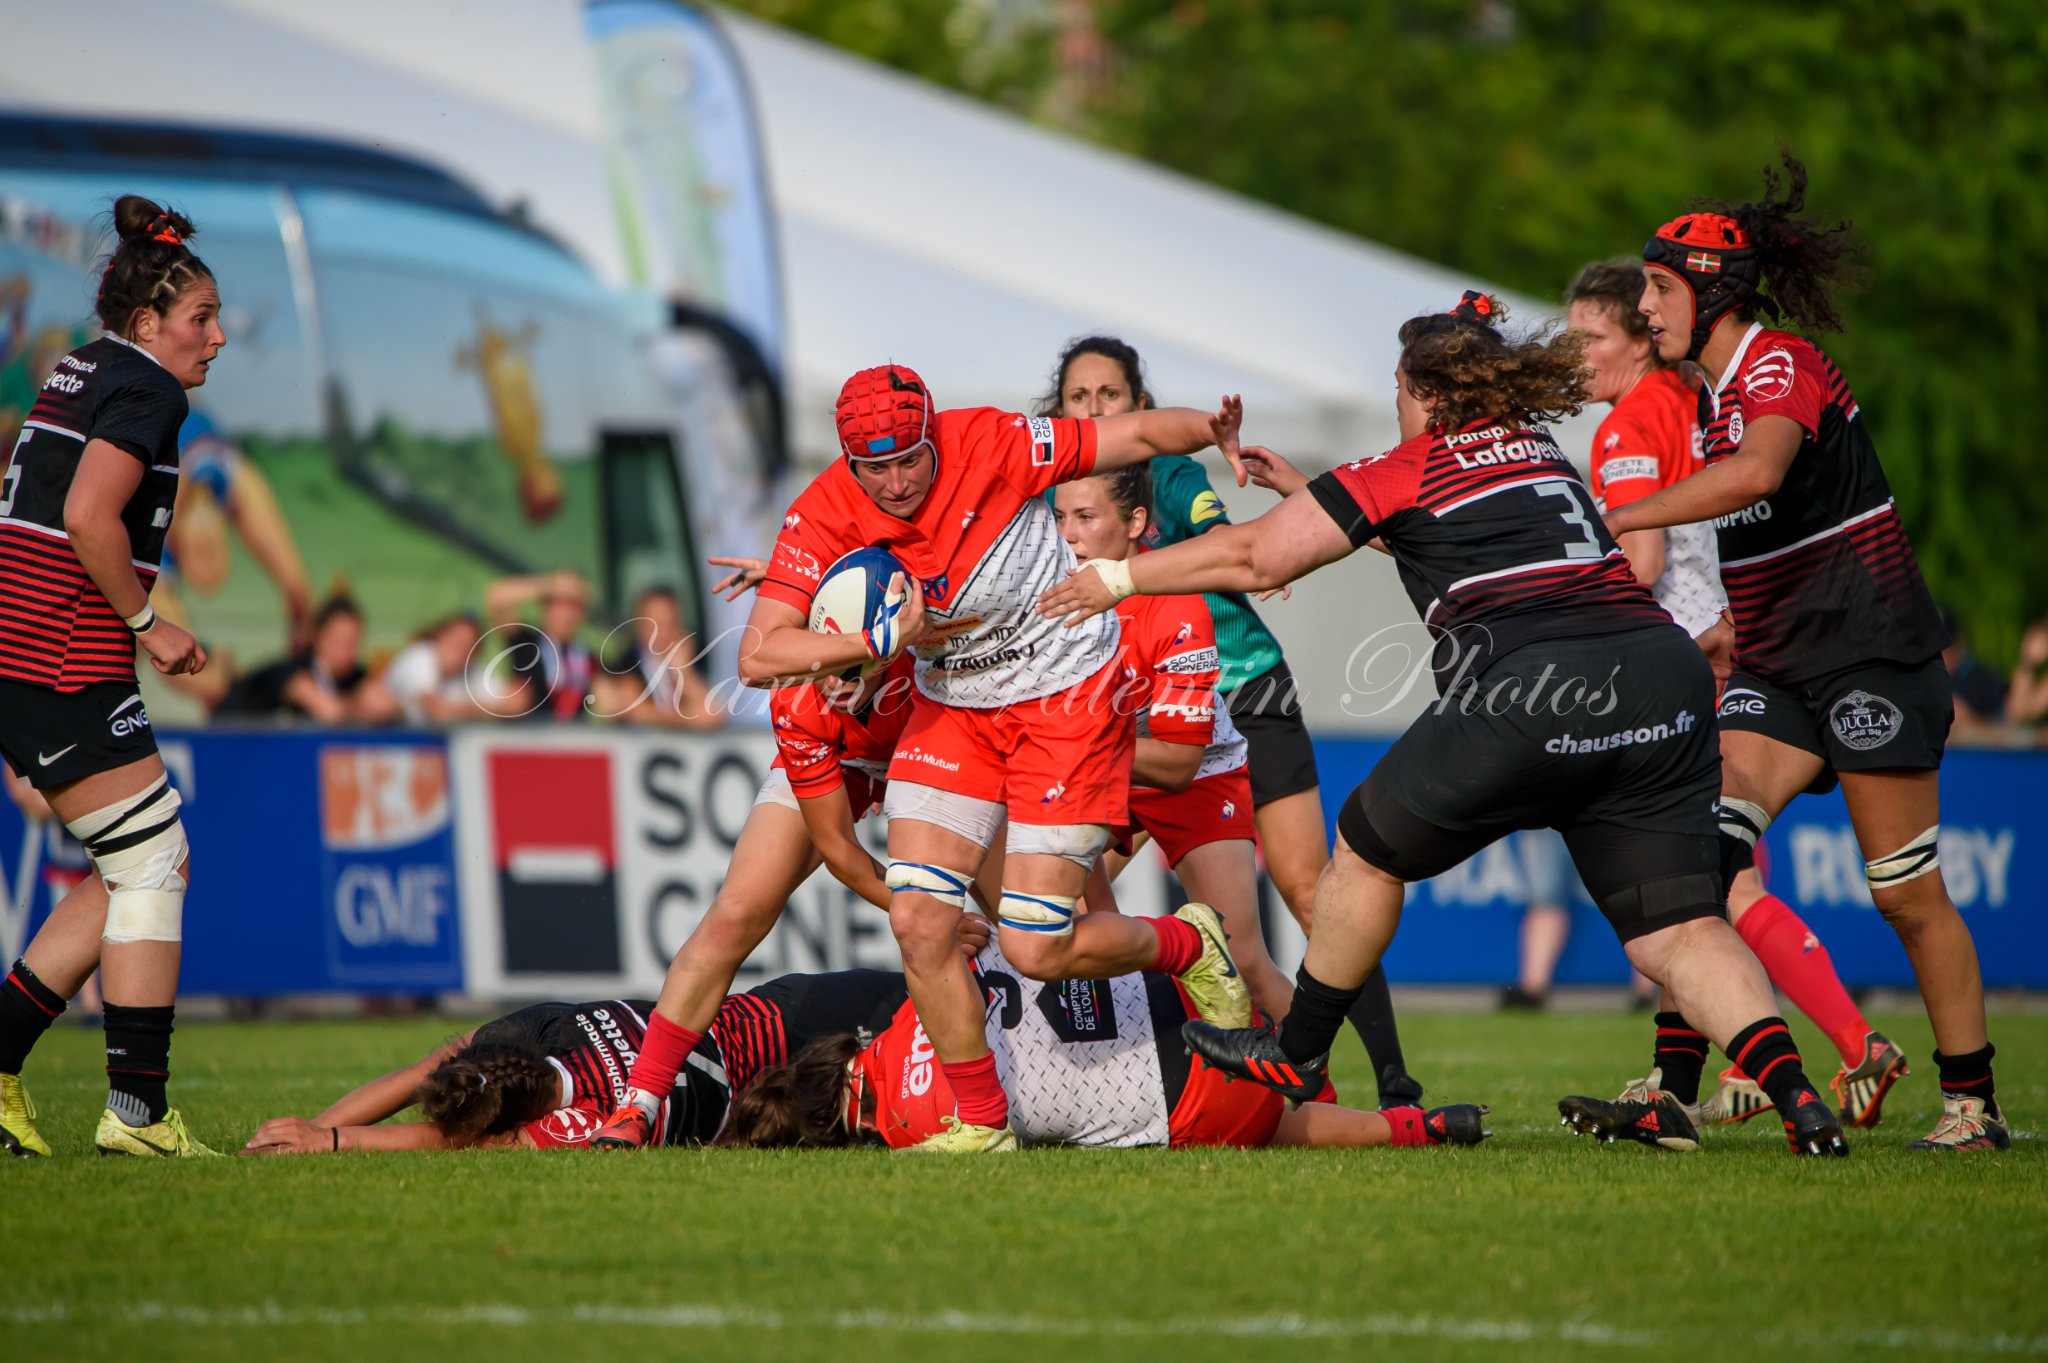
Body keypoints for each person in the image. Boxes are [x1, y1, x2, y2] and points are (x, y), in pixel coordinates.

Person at [1043, 292, 1851, 1157]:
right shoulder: (1540, 452)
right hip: (1662, 673)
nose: (1396, 404)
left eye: (1399, 388)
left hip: (1539, 685)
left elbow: (1253, 554)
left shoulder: (1407, 465)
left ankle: (1298, 1051)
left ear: (1427, 392)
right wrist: (1310, 495)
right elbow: (1447, 536)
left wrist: (1121, 578)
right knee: (1681, 928)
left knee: (1364, 847)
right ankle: (1802, 1101)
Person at [735, 364, 1254, 1153]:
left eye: (911, 459)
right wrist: (874, 640)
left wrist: (1209, 433)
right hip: (955, 713)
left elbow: (1133, 433)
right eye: (876, 467)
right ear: (849, 461)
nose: (897, 482)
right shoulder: (825, 507)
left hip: (1062, 702)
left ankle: (1188, 942)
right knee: (917, 919)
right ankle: (982, 1121)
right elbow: (757, 655)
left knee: (1035, 947)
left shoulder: (990, 440)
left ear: (934, 436)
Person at [1614, 154, 2005, 1150]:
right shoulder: (1708, 394)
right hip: (1778, 671)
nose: (1643, 305)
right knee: (1696, 861)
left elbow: (1758, 474)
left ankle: (1972, 1104)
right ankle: (1670, 1093)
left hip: (1870, 658)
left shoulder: (1777, 363)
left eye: (1658, 287)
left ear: (1712, 295)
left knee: (1904, 894)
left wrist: (1620, 513)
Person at [1565, 258, 1905, 1126]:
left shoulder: (1629, 424)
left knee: (1708, 885)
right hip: (1731, 650)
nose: (1575, 356)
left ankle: (1850, 1041)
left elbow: (1640, 561)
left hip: (1680, 669)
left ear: (1639, 340)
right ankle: (1702, 1072)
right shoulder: (1695, 400)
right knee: (1705, 878)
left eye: (1590, 337)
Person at [1044, 337, 1423, 1106]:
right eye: (1078, 397)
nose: (1094, 409)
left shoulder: (1170, 475)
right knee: (1062, 907)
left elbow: (1221, 534)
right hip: (1137, 724)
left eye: (1109, 395)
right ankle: (1109, 1078)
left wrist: (1264, 554)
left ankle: (1390, 1079)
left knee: (1310, 896)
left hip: (1241, 696)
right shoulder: (1050, 495)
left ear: (1140, 406)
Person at [0, 195, 223, 1157]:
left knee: (126, 864)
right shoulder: (148, 389)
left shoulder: (80, 366)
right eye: (200, 318)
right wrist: (149, 624)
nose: (217, 338)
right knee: (154, 861)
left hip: (25, 648)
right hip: (58, 655)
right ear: (147, 323)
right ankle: (137, 1114)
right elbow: (90, 516)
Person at [587, 655, 924, 1150]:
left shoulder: (921, 659)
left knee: (1008, 911)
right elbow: (840, 853)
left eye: (851, 667)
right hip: (838, 755)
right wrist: (921, 912)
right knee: (735, 915)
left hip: (932, 743)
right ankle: (640, 1104)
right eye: (825, 665)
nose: (834, 681)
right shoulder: (797, 693)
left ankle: (1011, 1077)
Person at [724, 937, 1489, 1152]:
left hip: (1196, 1098)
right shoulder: (905, 1012)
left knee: (1272, 1127)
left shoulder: (910, 1137)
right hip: (1167, 992)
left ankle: (1413, 1127)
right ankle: (1189, 948)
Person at [1050, 463, 1291, 1021]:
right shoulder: (1047, 596)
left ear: (1136, 522)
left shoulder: (1177, 603)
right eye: (1060, 518)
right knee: (1060, 933)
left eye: (1086, 517)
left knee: (1243, 961)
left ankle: (1314, 1074)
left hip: (1197, 775)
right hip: (1101, 771)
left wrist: (1077, 741)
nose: (1069, 535)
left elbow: (1180, 763)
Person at [240, 969, 912, 1154]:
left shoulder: (586, 1118)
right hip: (788, 1006)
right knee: (938, 986)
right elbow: (425, 1072)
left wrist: (328, 1137)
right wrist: (314, 1130)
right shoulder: (540, 1027)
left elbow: (442, 1137)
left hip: (792, 1063)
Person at [215, 593, 374, 723]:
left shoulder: (358, 677)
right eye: (340, 640)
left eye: (353, 642)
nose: (348, 650)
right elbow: (328, 711)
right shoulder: (294, 671)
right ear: (319, 637)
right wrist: (355, 705)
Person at [596, 584, 723, 729]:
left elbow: (712, 715)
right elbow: (636, 711)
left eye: (668, 623)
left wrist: (684, 672)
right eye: (654, 623)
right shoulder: (625, 666)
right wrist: (689, 718)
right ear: (638, 625)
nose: (661, 632)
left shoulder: (690, 663)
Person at [484, 568, 595, 720]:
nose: (566, 614)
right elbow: (498, 597)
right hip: (527, 732)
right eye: (557, 603)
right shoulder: (526, 643)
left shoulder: (587, 657)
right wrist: (549, 585)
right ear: (545, 607)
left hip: (572, 733)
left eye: (574, 606)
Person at [367, 611, 486, 725]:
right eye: (455, 642)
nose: (457, 651)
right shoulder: (420, 657)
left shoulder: (469, 669)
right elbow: (437, 711)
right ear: (441, 636)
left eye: (466, 647)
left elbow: (497, 704)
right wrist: (478, 709)